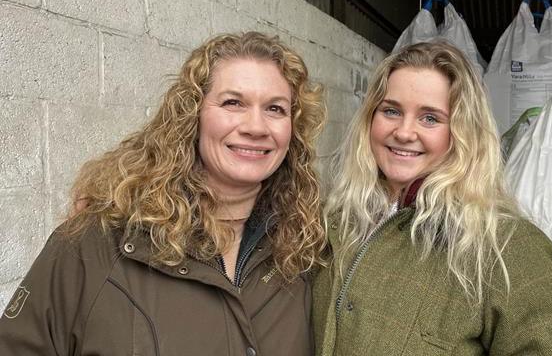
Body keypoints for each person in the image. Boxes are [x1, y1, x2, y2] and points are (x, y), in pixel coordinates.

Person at [0, 32, 326, 355]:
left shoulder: (304, 247)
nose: (256, 126)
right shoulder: (97, 242)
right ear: (192, 115)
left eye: (275, 109)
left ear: (292, 128)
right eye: (233, 102)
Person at [312, 41, 552, 355]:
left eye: (430, 118)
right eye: (391, 110)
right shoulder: (336, 220)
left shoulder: (505, 246)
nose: (403, 131)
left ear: (462, 132)